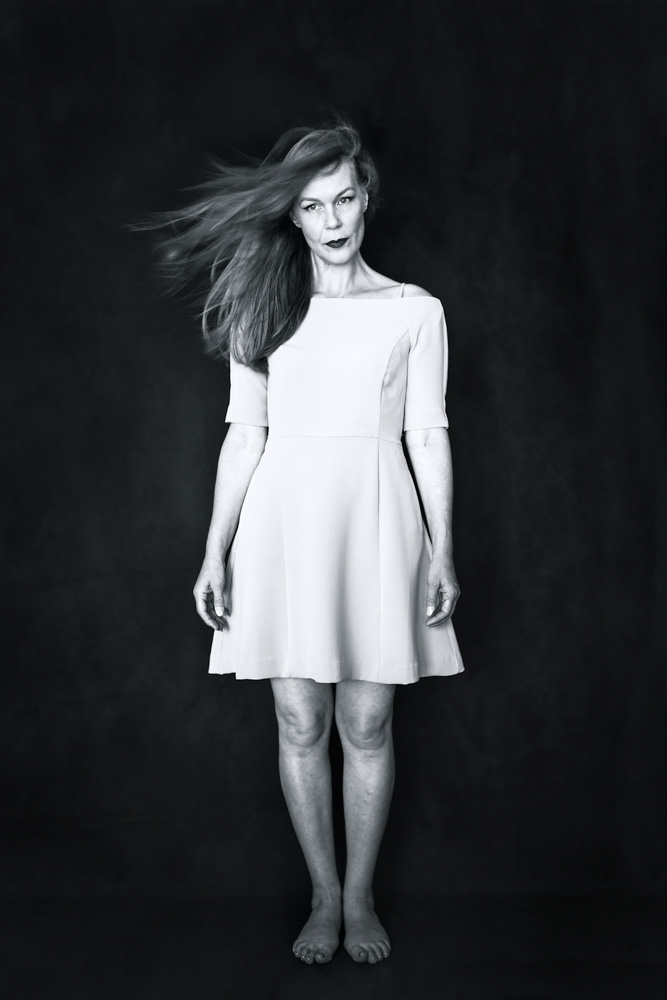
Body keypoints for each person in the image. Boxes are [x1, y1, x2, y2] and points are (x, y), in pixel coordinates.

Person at [154, 118, 464, 965]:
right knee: (299, 719)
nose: (332, 220)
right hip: (282, 525)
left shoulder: (413, 311)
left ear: (366, 199)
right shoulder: (265, 308)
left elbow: (427, 432)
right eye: (313, 205)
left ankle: (359, 897)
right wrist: (214, 551)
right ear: (292, 214)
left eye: (345, 199)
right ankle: (323, 896)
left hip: (377, 520)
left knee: (366, 720)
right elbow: (244, 434)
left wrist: (442, 549)